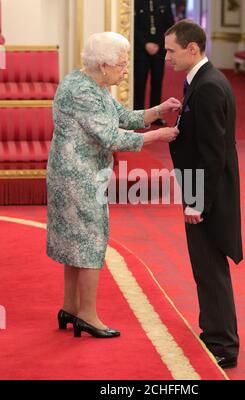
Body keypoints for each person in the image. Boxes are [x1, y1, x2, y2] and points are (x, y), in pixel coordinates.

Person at [46, 32, 181, 339]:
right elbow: (112, 137)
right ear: (104, 65)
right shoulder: (82, 92)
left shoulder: (93, 84)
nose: (125, 69)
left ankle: (71, 307)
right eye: (121, 64)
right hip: (76, 178)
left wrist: (157, 111)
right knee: (90, 241)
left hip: (77, 174)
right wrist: (158, 136)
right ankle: (88, 316)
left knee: (74, 241)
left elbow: (123, 117)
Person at [165, 20, 243, 369]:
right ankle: (213, 332)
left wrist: (197, 201)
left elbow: (212, 154)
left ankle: (224, 345)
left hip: (208, 195)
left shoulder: (209, 86)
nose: (167, 57)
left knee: (211, 270)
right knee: (205, 269)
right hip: (203, 189)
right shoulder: (201, 80)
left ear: (192, 48)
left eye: (171, 50)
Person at [134, 0, 174, 126]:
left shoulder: (165, 2)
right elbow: (132, 26)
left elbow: (170, 27)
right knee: (139, 83)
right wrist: (145, 44)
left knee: (157, 83)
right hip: (141, 50)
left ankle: (155, 116)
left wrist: (159, 44)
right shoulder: (136, 2)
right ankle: (138, 116)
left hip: (159, 50)